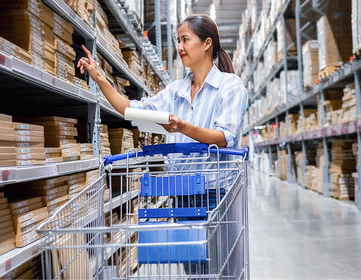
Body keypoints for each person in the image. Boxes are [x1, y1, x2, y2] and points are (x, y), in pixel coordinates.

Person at [78, 14, 247, 277]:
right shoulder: (175, 91)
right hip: (183, 193)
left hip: (217, 194)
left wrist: (182, 127)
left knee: (219, 269)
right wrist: (99, 78)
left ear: (207, 44)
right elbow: (130, 109)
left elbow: (224, 136)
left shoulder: (229, 86)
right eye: (177, 40)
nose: (180, 47)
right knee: (195, 271)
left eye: (185, 39)